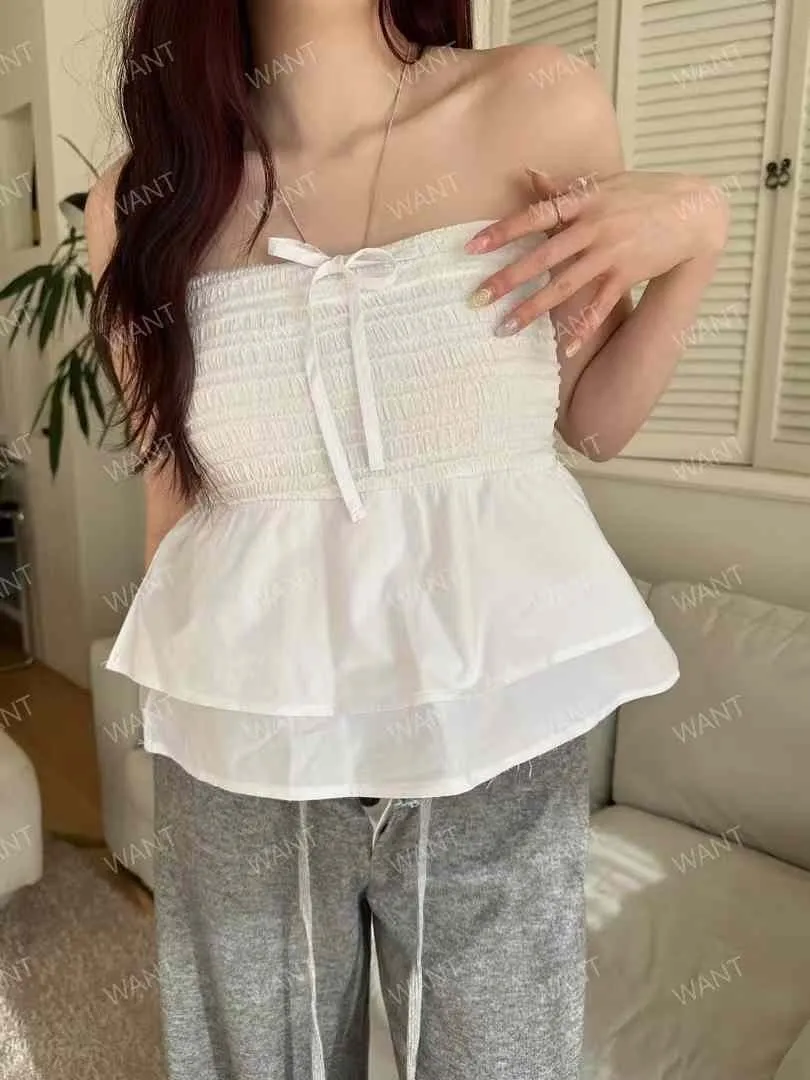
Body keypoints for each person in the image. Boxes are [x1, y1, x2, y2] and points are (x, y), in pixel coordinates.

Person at [85, 1, 728, 1077]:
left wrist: (700, 233)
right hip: (250, 742)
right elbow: (172, 504)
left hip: (489, 720)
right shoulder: (145, 198)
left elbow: (595, 424)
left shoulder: (537, 103)